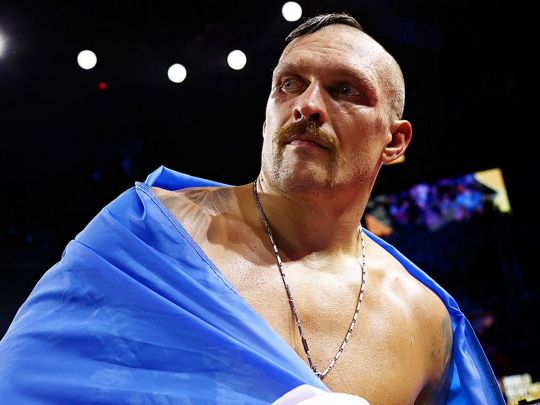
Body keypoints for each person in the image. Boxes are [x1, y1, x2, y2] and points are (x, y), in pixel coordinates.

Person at [0, 13, 504, 404]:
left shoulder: (426, 322)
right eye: (290, 84)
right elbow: (24, 380)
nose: (307, 105)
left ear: (394, 142)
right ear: (266, 119)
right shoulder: (147, 232)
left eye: (344, 90)